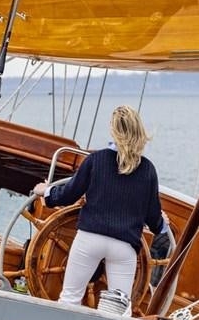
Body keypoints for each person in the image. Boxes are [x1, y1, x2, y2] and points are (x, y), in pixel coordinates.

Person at [32, 105, 169, 306]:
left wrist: (47, 191)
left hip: (90, 239)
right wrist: (161, 224)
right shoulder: (148, 170)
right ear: (139, 131)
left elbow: (69, 194)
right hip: (124, 247)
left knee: (69, 299)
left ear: (113, 130)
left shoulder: (96, 160)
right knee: (118, 310)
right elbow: (152, 216)